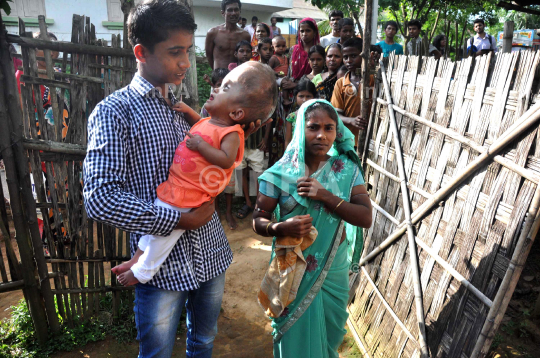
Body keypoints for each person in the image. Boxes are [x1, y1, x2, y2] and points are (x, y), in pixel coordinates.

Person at [83, 1, 267, 356]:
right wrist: (178, 219)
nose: (186, 62)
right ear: (141, 51)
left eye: (188, 50)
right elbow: (100, 197)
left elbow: (219, 161)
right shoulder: (114, 112)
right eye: (175, 52)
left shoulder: (187, 110)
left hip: (211, 253)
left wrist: (238, 128)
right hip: (161, 267)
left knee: (203, 341)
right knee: (158, 353)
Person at [112, 62, 278, 285]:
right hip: (176, 186)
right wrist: (189, 112)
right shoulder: (211, 122)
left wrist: (201, 147)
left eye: (225, 89)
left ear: (237, 113)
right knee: (156, 227)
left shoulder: (232, 133)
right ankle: (137, 257)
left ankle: (143, 272)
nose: (216, 89)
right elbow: (202, 126)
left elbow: (227, 159)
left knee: (166, 235)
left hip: (190, 194)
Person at [253, 99, 372, 358]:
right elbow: (258, 220)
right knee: (293, 330)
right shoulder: (279, 174)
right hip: (293, 267)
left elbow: (365, 217)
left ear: (337, 132)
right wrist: (280, 226)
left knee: (330, 333)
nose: (322, 135)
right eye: (313, 127)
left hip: (334, 266)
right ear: (299, 131)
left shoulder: (346, 169)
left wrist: (326, 196)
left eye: (329, 128)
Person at [331, 37, 372, 146]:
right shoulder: (340, 83)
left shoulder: (373, 80)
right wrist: (351, 120)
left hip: (372, 139)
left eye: (353, 56)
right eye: (345, 57)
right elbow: (335, 114)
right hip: (349, 141)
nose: (349, 60)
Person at [205, 0, 251, 70]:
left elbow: (246, 57)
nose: (233, 13)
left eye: (236, 10)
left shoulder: (245, 35)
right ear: (223, 13)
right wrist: (216, 73)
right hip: (220, 77)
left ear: (240, 11)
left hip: (237, 77)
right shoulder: (213, 33)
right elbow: (209, 55)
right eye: (229, 10)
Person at [281, 17, 320, 93]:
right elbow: (289, 71)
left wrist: (296, 84)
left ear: (314, 32)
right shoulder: (293, 50)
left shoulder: (318, 51)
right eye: (302, 31)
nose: (304, 34)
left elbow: (319, 76)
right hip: (292, 92)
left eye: (308, 31)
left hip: (310, 91)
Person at [284, 79, 316, 148]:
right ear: (295, 97)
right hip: (296, 153)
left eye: (308, 96)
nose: (304, 100)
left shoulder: (318, 116)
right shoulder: (291, 117)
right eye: (301, 96)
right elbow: (287, 141)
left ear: (314, 97)